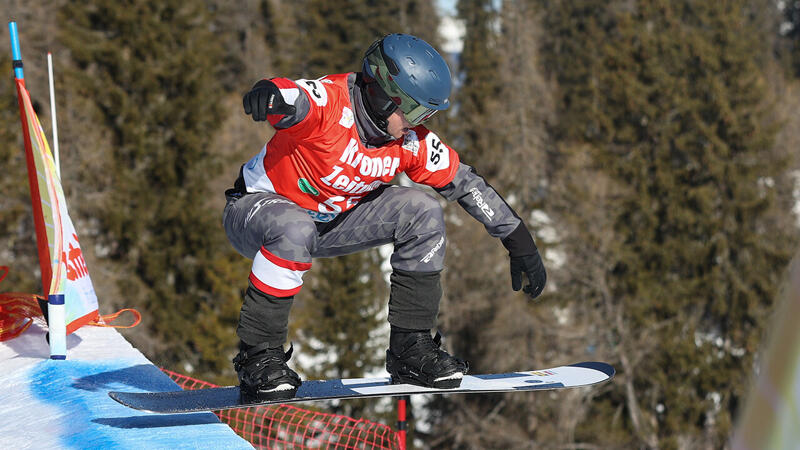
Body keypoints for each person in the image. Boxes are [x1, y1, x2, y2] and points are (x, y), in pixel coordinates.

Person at [223, 33, 546, 402]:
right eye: (412, 111)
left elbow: (466, 184)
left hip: (327, 224)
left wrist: (518, 240)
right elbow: (297, 97)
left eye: (426, 114)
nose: (416, 123)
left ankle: (410, 349)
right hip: (256, 211)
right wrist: (271, 94)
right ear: (382, 93)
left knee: (422, 210)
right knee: (292, 227)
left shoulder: (409, 142)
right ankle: (259, 357)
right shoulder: (332, 103)